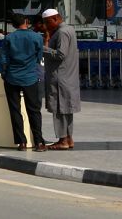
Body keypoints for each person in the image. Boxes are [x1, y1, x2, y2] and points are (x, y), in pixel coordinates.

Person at [0, 14, 47, 151]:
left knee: (15, 110)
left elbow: (3, 58)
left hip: (12, 78)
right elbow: (39, 57)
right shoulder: (37, 37)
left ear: (13, 25)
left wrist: (4, 74)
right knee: (34, 110)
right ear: (26, 22)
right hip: (30, 78)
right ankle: (39, 142)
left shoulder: (9, 38)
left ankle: (22, 142)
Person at [42, 8, 80, 150]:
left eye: (47, 22)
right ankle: (69, 139)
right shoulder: (70, 29)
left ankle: (62, 140)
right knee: (66, 110)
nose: (46, 26)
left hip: (60, 78)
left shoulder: (62, 32)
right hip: (68, 77)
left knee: (59, 110)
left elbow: (60, 54)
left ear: (56, 18)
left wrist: (43, 48)